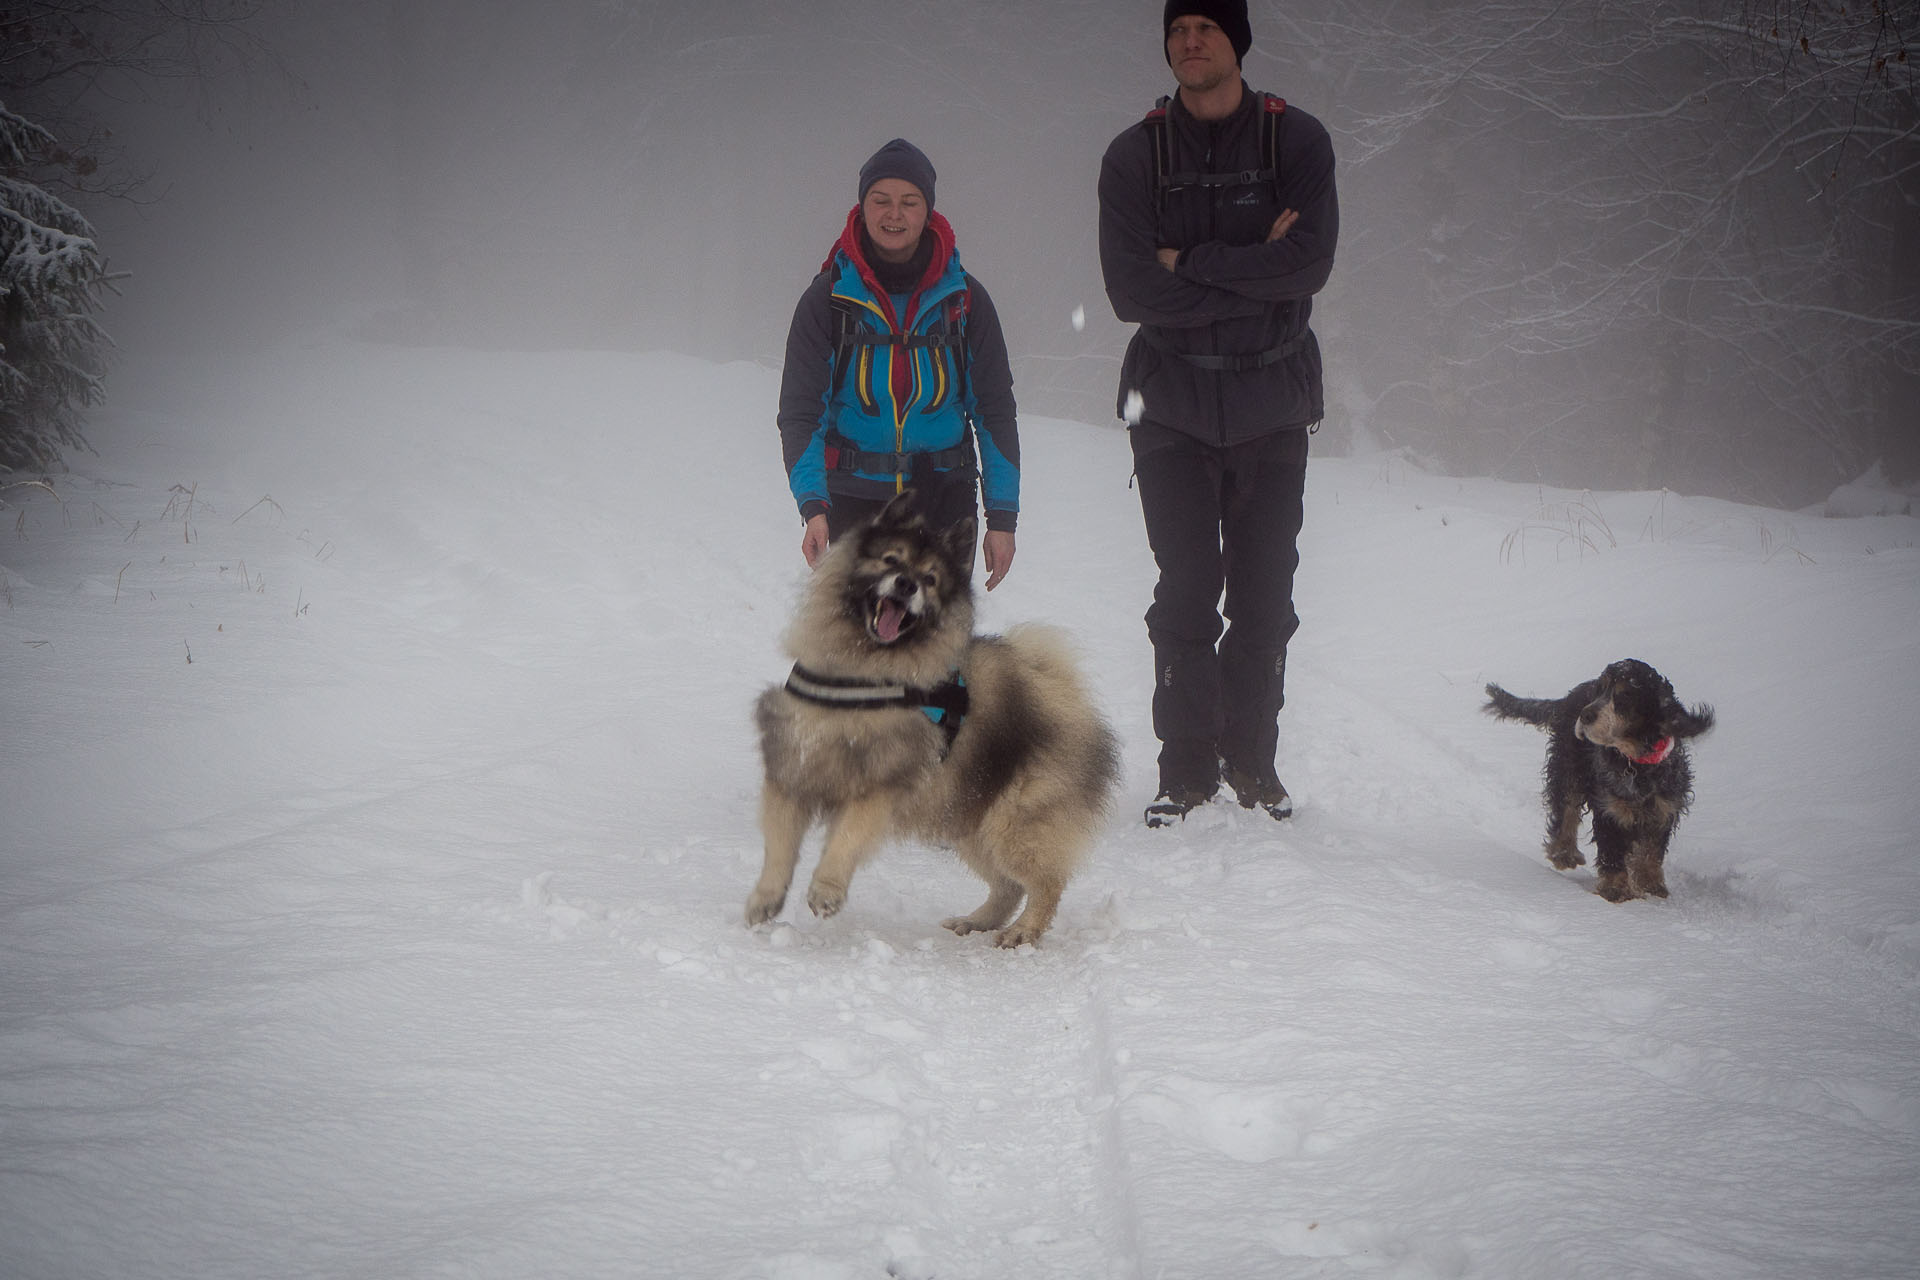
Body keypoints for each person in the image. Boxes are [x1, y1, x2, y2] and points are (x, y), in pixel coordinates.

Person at [1097, 1, 1338, 825]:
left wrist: (1192, 264)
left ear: (1236, 41)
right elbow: (1132, 291)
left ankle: (1253, 766)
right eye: (1178, 30)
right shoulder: (1135, 156)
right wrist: (1254, 267)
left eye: (1206, 28)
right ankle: (1187, 771)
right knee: (1189, 591)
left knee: (1266, 597)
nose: (1191, 42)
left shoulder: (1294, 141)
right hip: (1170, 405)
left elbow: (1310, 265)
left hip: (1273, 403)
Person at [777, 139, 1019, 589]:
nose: (894, 215)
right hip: (853, 502)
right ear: (862, 207)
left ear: (927, 211)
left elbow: (994, 411)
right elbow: (800, 413)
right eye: (881, 201)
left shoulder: (966, 301)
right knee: (851, 654)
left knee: (936, 654)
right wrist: (813, 506)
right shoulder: (827, 301)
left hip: (944, 500)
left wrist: (1002, 517)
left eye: (909, 202)